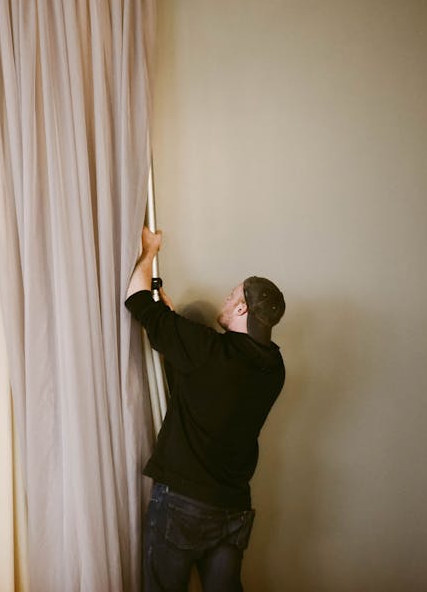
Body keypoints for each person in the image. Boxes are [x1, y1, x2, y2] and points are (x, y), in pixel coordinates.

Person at [125, 227, 286, 592]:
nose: (225, 302)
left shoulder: (207, 350)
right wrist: (175, 326)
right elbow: (211, 386)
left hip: (185, 504)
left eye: (231, 297)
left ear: (243, 307)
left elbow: (136, 299)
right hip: (233, 508)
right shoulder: (274, 367)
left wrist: (149, 252)